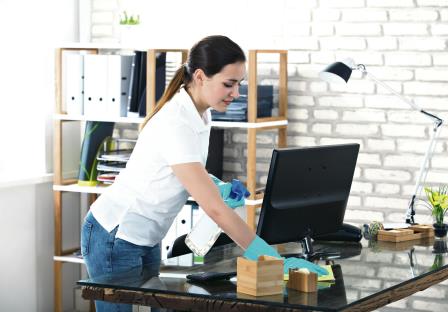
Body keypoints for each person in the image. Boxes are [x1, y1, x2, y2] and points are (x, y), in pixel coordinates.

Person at [81, 35, 327, 312]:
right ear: (200, 77)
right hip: (115, 233)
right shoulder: (175, 121)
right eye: (228, 84)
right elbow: (215, 210)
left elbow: (182, 168)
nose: (236, 93)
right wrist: (268, 256)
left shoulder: (202, 114)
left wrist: (215, 185)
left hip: (147, 235)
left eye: (239, 84)